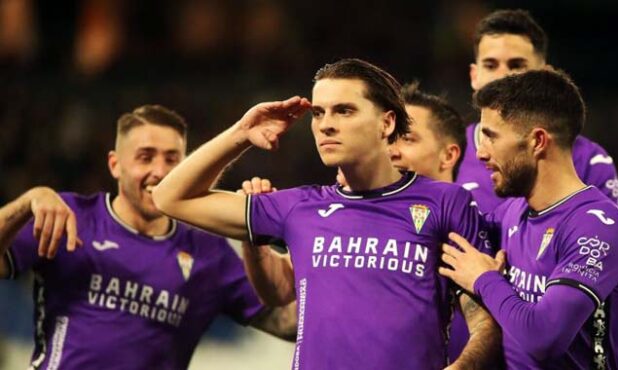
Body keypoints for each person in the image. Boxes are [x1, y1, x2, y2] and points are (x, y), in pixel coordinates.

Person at [153, 58, 501, 370]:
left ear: (386, 122)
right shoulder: (300, 207)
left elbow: (484, 316)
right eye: (319, 113)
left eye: (344, 111)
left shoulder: (445, 203)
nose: (325, 125)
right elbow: (170, 198)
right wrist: (241, 133)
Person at [0, 105, 296, 370]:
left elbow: (288, 323)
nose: (159, 171)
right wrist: (27, 203)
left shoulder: (209, 251)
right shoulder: (70, 217)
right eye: (145, 157)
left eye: (172, 159)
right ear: (115, 165)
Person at [440, 69, 618, 370]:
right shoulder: (513, 212)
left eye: (491, 137)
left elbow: (543, 337)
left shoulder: (599, 227)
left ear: (537, 141)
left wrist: (484, 279)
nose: (480, 153)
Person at [457, 9, 618, 213]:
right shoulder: (452, 153)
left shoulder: (589, 159)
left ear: (544, 75)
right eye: (491, 65)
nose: (503, 76)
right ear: (474, 76)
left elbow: (607, 238)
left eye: (517, 65)